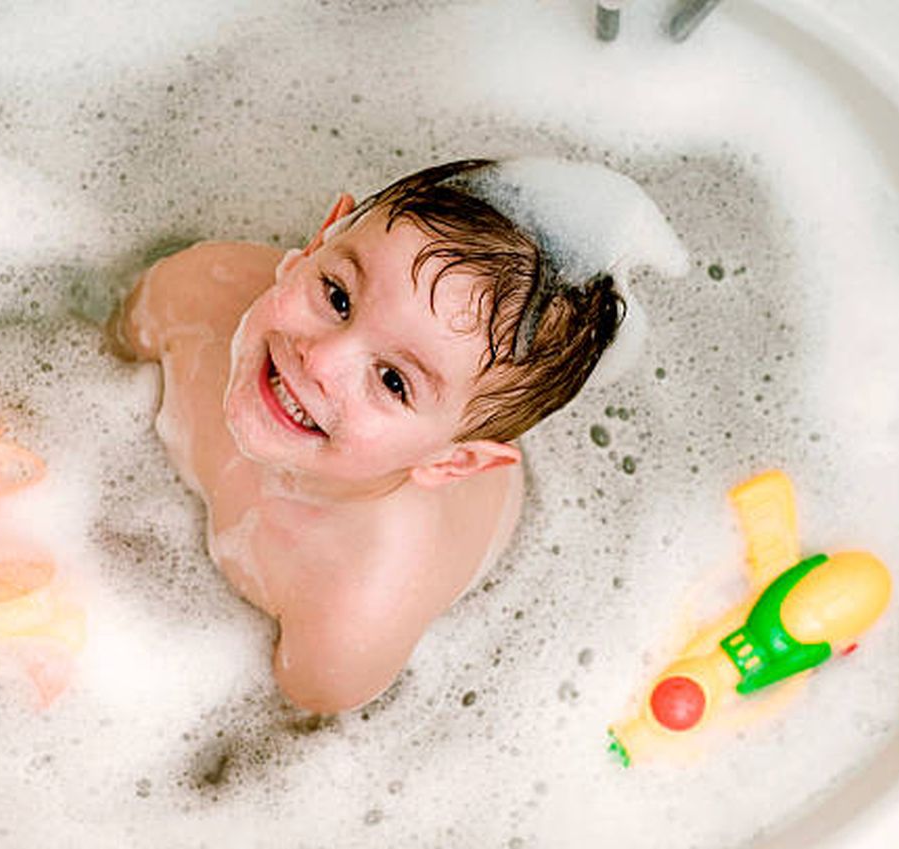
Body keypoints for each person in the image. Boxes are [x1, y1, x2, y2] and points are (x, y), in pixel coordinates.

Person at [104, 158, 684, 713]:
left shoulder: (355, 611)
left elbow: (294, 718)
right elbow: (111, 346)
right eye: (337, 297)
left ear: (452, 464)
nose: (321, 359)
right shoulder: (199, 292)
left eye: (392, 381)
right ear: (316, 244)